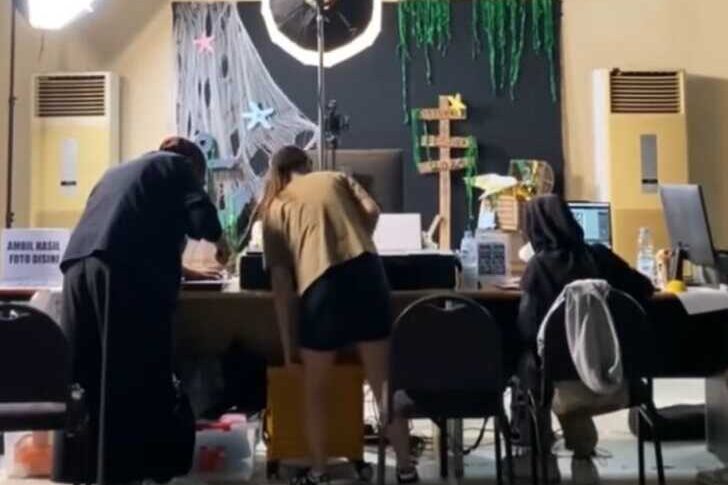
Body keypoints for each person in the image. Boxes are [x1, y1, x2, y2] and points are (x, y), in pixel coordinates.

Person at [54, 137, 225, 484]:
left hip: (77, 269)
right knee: (130, 374)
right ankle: (125, 473)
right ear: (194, 167)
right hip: (122, 274)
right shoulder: (178, 165)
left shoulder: (116, 173)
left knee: (87, 376)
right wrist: (222, 243)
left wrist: (185, 270)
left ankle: (83, 471)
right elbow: (204, 223)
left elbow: (123, 229)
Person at [260, 146, 417, 485]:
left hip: (322, 286)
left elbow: (281, 285)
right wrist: (355, 237)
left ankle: (319, 472)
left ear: (277, 172)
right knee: (383, 384)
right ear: (308, 164)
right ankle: (405, 467)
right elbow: (372, 210)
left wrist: (288, 349)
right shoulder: (336, 177)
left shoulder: (276, 206)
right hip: (368, 274)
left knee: (316, 390)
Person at [514, 195, 653, 471]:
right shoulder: (601, 255)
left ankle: (536, 447)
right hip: (614, 373)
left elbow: (527, 329)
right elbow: (645, 289)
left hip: (561, 380)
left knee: (525, 363)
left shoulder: (538, 267)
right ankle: (582, 450)